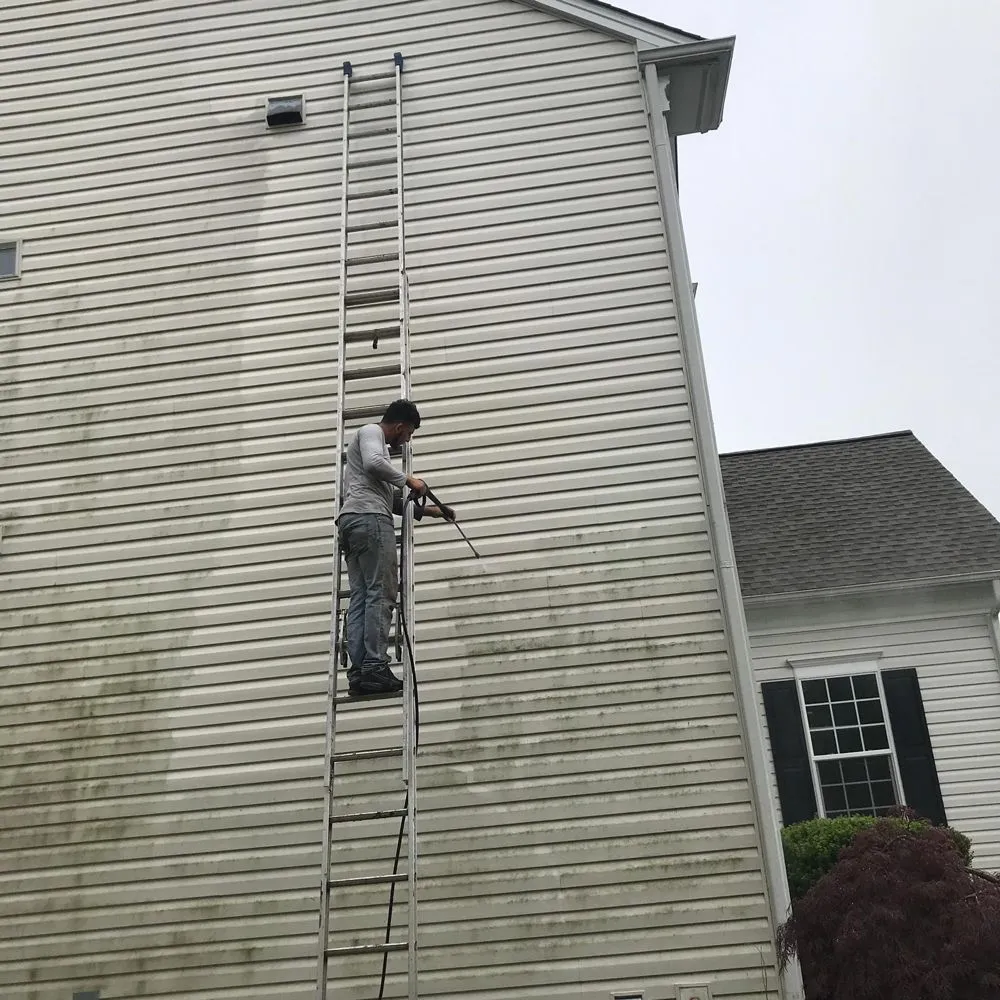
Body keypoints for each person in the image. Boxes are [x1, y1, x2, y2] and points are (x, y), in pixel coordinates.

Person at [336, 399, 454, 696]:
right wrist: (410, 480)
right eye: (409, 433)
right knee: (381, 593)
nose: (408, 439)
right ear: (400, 426)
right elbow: (378, 465)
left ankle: (361, 672)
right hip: (371, 522)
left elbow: (389, 501)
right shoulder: (371, 433)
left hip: (354, 522)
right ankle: (375, 666)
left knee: (363, 596)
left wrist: (432, 512)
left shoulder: (367, 462)